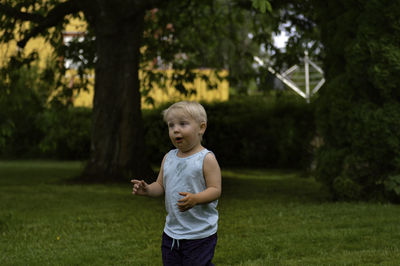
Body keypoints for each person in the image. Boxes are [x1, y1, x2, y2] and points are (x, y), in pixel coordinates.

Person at [131, 101, 222, 266]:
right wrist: (148, 190)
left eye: (183, 124)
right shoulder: (169, 157)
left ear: (201, 128)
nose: (175, 129)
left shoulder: (206, 158)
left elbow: (215, 190)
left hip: (199, 234)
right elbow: (161, 186)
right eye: (171, 125)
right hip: (172, 233)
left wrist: (196, 198)